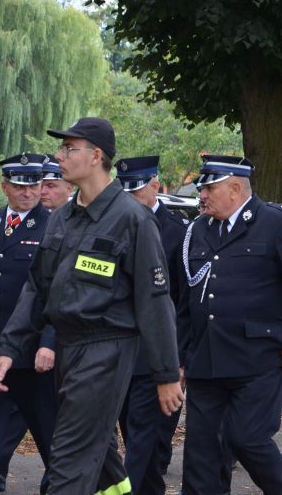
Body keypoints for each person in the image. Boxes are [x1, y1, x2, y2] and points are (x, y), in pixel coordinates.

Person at [0, 117, 184, 495]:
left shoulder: (132, 220)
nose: (59, 156)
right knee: (102, 462)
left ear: (96, 156)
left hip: (106, 349)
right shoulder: (63, 218)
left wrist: (165, 375)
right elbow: (37, 287)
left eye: (68, 149)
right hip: (68, 348)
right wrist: (10, 349)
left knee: (68, 461)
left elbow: (155, 301)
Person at [178, 154, 282, 494]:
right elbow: (187, 298)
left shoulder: (276, 223)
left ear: (236, 187)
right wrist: (180, 354)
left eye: (210, 188)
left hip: (254, 356)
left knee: (247, 438)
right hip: (205, 357)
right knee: (201, 452)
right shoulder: (198, 229)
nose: (203, 196)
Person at [0, 154, 55, 494]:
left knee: (49, 430)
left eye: (34, 186)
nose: (28, 193)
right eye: (20, 187)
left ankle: (67, 484)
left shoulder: (52, 227)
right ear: (4, 186)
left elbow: (54, 292)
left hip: (30, 348)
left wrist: (49, 341)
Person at [114, 156, 189, 495]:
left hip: (160, 346)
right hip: (122, 344)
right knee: (134, 431)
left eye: (137, 190)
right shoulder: (115, 223)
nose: (131, 197)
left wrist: (181, 355)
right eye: (125, 191)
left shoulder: (177, 230)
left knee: (147, 434)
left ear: (155, 185)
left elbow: (183, 299)